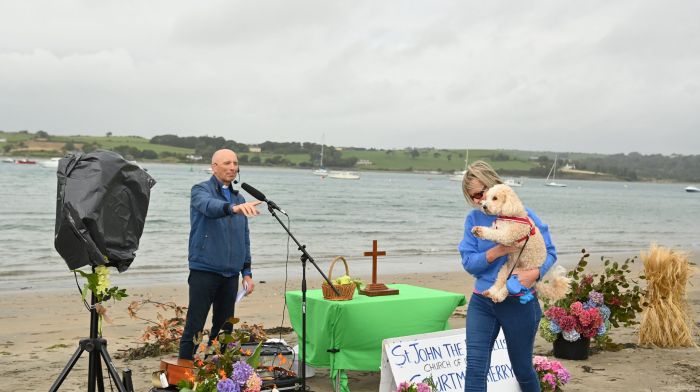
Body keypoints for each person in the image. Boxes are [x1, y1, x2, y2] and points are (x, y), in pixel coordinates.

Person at [458, 160, 557, 392]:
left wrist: (535, 273)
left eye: (483, 193)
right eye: (473, 197)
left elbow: (550, 252)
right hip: (482, 301)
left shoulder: (524, 215)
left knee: (522, 368)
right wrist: (497, 251)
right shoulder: (473, 221)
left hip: (519, 302)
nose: (480, 201)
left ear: (495, 186)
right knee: (475, 367)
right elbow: (469, 263)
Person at [178, 149, 262, 360]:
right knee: (195, 326)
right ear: (214, 166)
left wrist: (247, 272)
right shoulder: (200, 190)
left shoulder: (239, 197)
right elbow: (210, 207)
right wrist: (233, 208)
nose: (232, 167)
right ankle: (183, 370)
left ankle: (215, 369)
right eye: (227, 163)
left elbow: (244, 237)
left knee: (225, 329)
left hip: (230, 274)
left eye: (235, 163)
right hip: (204, 270)